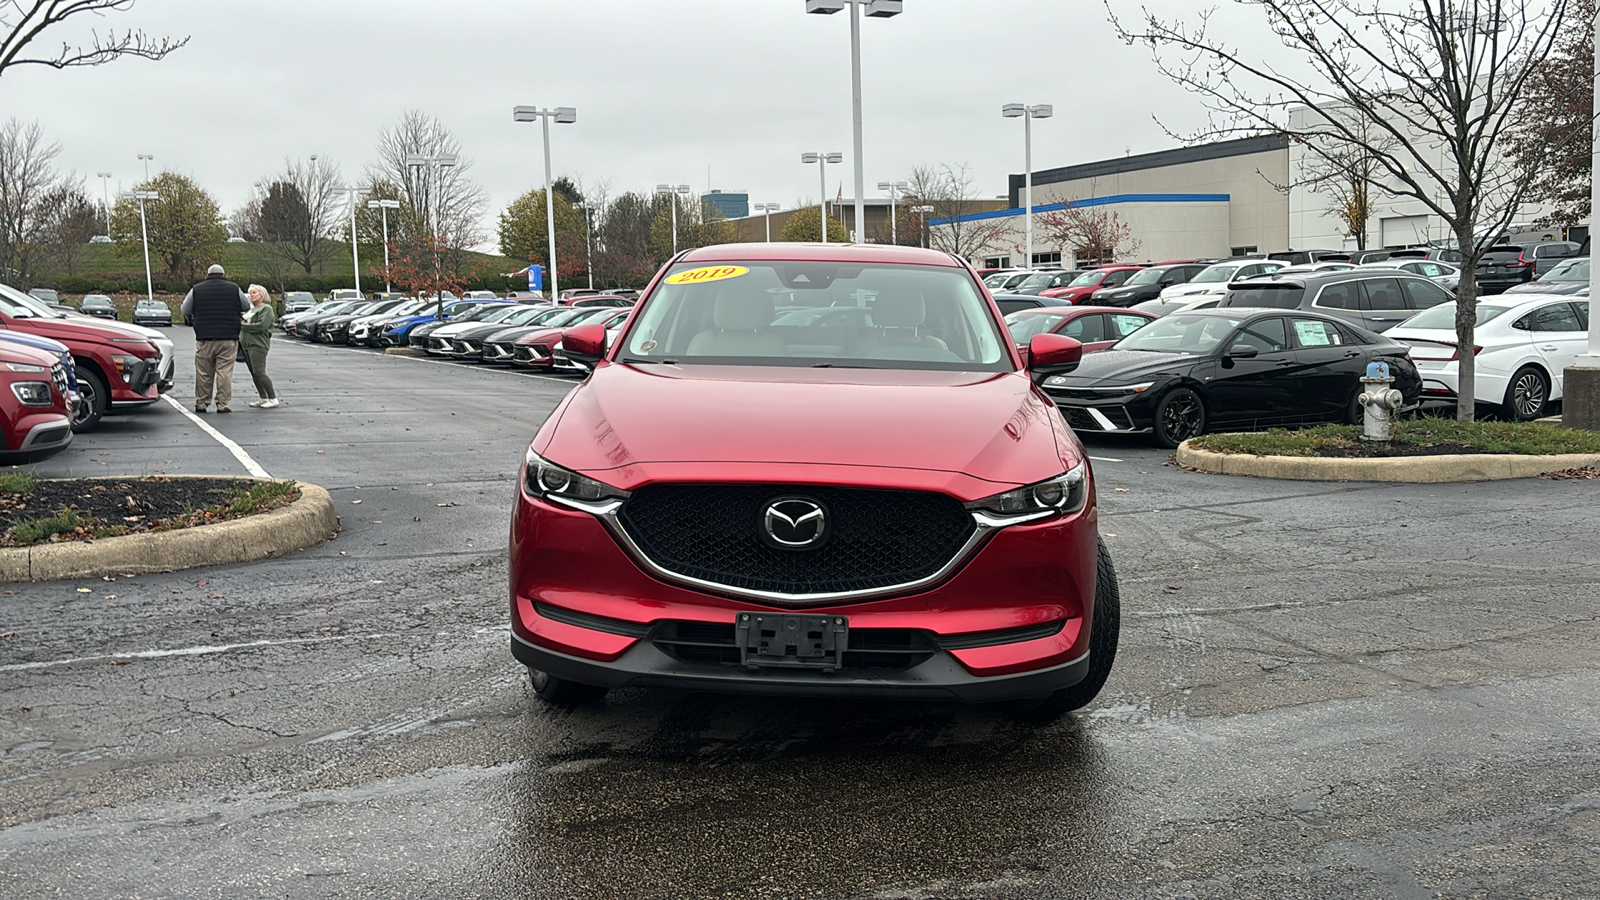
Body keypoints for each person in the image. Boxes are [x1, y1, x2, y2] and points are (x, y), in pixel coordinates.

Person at [180, 264, 249, 413]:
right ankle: (223, 404)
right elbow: (246, 306)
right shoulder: (234, 288)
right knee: (224, 372)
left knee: (204, 372)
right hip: (228, 338)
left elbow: (184, 309)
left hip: (205, 337)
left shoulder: (196, 289)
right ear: (223, 274)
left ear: (207, 274)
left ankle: (202, 402)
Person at [240, 284, 279, 408]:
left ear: (262, 294)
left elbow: (261, 326)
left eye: (255, 293)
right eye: (251, 293)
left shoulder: (266, 309)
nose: (252, 295)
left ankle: (273, 398)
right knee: (254, 373)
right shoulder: (251, 310)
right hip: (246, 344)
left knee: (260, 371)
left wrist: (241, 326)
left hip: (258, 345)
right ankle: (263, 397)